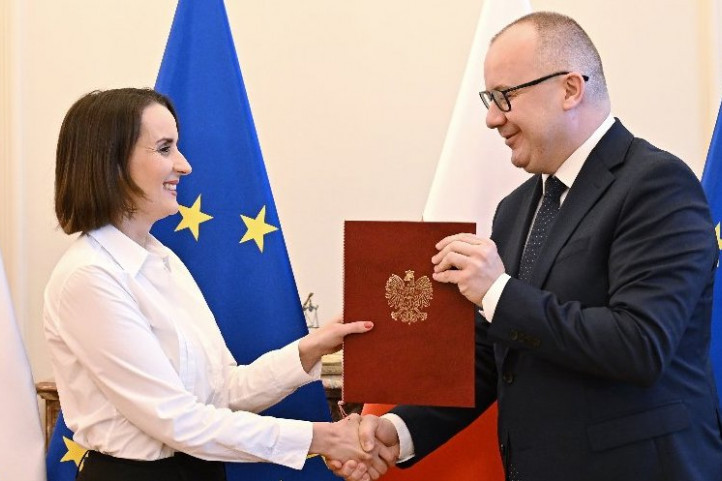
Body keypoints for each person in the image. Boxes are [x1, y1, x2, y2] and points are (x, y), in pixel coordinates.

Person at [331, 11, 722, 481]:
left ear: (570, 89)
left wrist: (496, 291)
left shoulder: (656, 185)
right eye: (489, 100)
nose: (492, 118)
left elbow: (639, 344)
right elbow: (497, 358)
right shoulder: (516, 208)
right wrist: (399, 430)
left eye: (505, 96)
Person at [44, 88, 382, 481]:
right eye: (165, 148)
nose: (184, 165)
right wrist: (324, 438)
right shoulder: (89, 277)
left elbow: (221, 392)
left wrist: (313, 347)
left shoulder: (164, 261)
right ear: (113, 163)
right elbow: (177, 420)